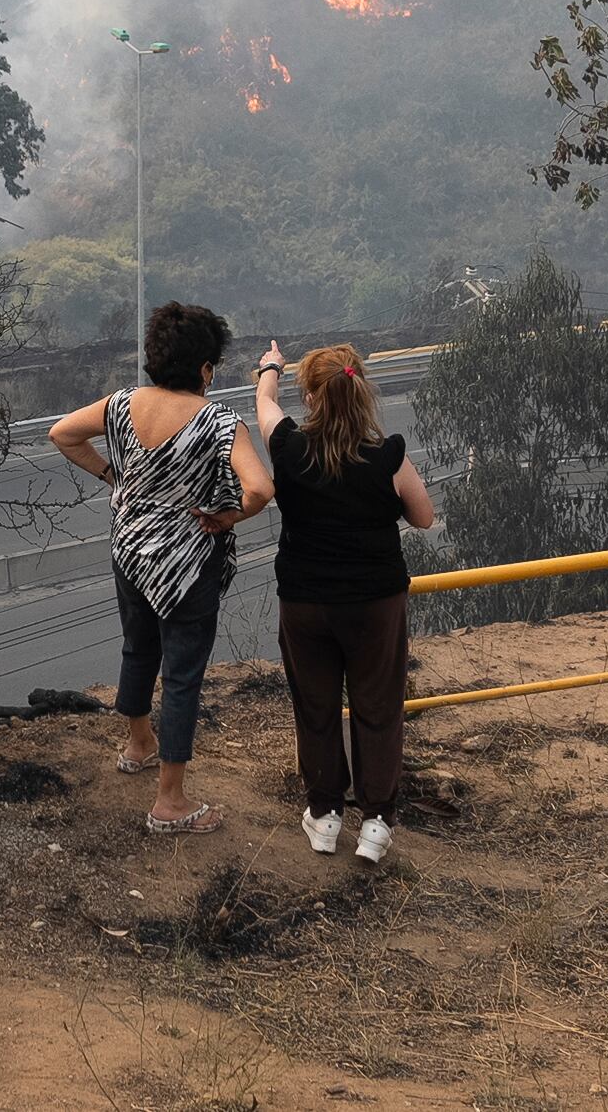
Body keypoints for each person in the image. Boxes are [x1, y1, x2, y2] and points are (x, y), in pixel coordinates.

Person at [49, 301, 273, 834]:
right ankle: (170, 801)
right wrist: (230, 515)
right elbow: (261, 488)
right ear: (205, 370)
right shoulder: (218, 422)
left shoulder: (121, 404)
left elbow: (62, 434)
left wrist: (113, 476)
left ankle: (136, 744)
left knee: (138, 648)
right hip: (187, 565)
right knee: (182, 675)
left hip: (128, 551)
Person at [255, 339, 435, 864]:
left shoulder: (289, 447)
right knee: (378, 707)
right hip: (375, 603)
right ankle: (376, 823)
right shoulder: (388, 455)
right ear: (361, 393)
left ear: (310, 397)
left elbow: (264, 405)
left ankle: (326, 814)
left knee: (316, 706)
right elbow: (423, 517)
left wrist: (270, 368)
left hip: (306, 602)